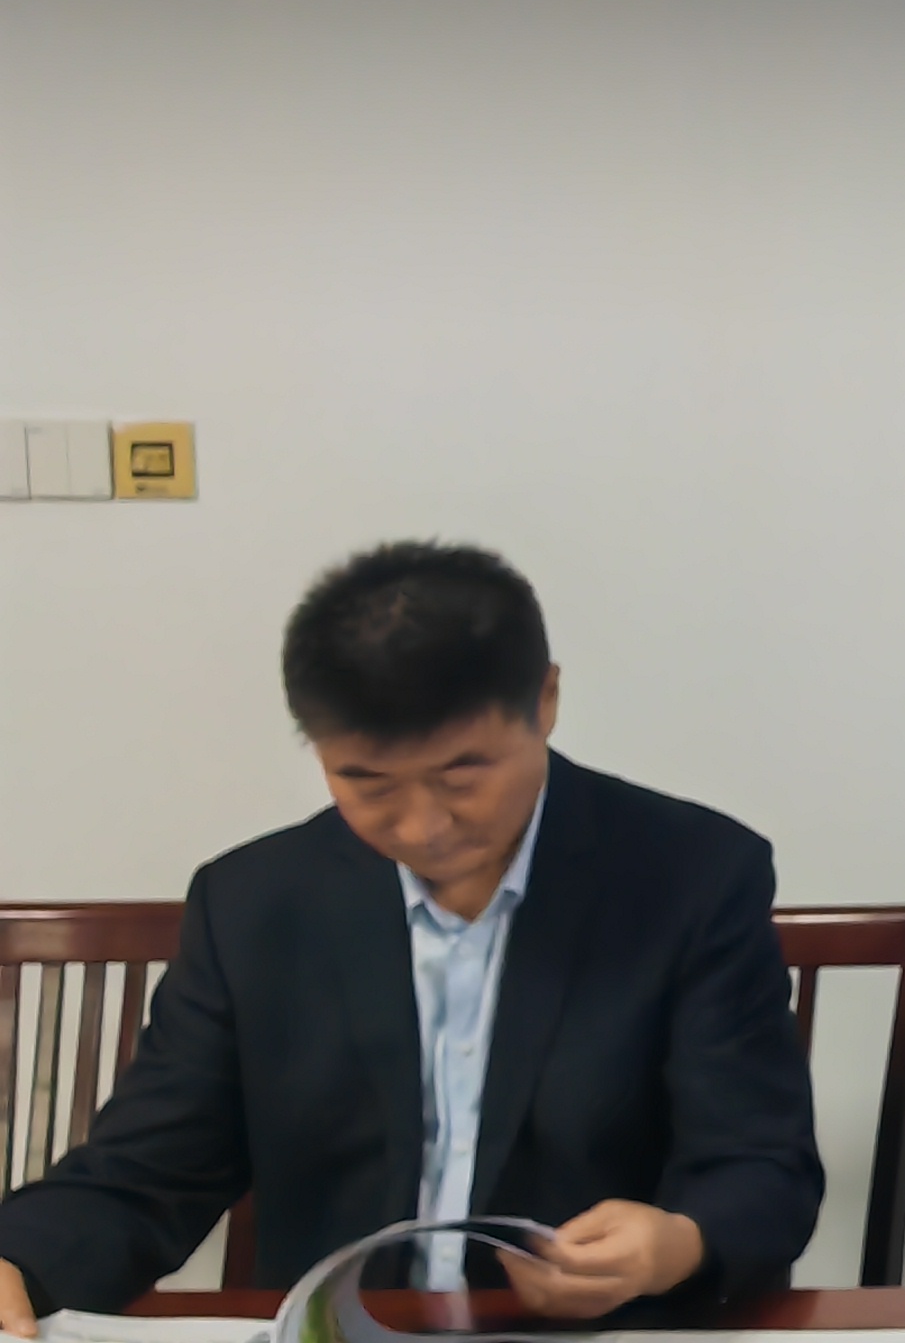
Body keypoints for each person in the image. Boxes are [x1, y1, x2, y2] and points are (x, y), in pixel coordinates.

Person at [0, 542, 822, 1332]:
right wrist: (19, 1261)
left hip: (594, 1336)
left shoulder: (690, 878)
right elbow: (147, 1172)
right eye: (368, 783)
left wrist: (678, 1244)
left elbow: (760, 1165)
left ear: (545, 700)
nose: (423, 826)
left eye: (462, 774)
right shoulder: (256, 903)